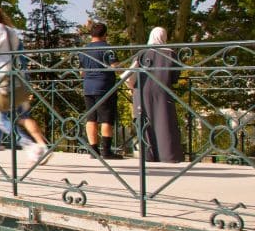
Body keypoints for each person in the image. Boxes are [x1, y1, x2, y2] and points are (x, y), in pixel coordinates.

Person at [0, 5, 49, 165]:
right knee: (7, 116)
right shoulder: (10, 31)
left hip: (4, 82)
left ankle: (30, 145)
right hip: (17, 80)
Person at [123, 27, 182, 162]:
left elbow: (130, 74)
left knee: (144, 120)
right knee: (164, 121)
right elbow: (174, 77)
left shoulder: (142, 52)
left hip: (142, 90)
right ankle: (167, 155)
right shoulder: (171, 53)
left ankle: (147, 154)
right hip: (162, 90)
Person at [78, 21, 121, 159]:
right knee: (106, 119)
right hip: (104, 87)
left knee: (91, 118)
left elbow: (81, 73)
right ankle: (106, 151)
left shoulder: (84, 50)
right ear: (105, 34)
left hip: (88, 87)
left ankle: (93, 150)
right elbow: (116, 68)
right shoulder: (107, 48)